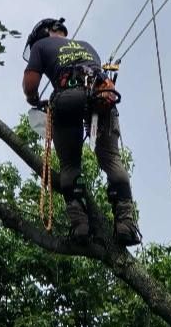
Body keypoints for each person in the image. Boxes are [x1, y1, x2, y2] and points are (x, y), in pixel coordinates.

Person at [22, 17, 141, 246]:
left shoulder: (40, 46)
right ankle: (125, 223)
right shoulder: (87, 46)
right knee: (111, 159)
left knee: (70, 165)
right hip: (102, 95)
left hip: (68, 98)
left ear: (47, 32)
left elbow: (30, 86)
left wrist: (35, 100)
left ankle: (80, 226)